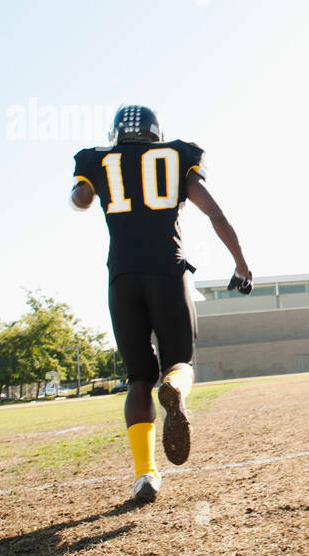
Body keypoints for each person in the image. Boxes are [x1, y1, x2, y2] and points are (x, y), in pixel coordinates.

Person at [71, 105, 253, 504]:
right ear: (156, 131)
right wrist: (241, 263)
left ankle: (145, 476)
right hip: (166, 271)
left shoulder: (95, 158)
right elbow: (214, 211)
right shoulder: (177, 156)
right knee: (181, 363)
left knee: (138, 379)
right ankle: (172, 387)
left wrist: (85, 187)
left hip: (122, 277)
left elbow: (81, 199)